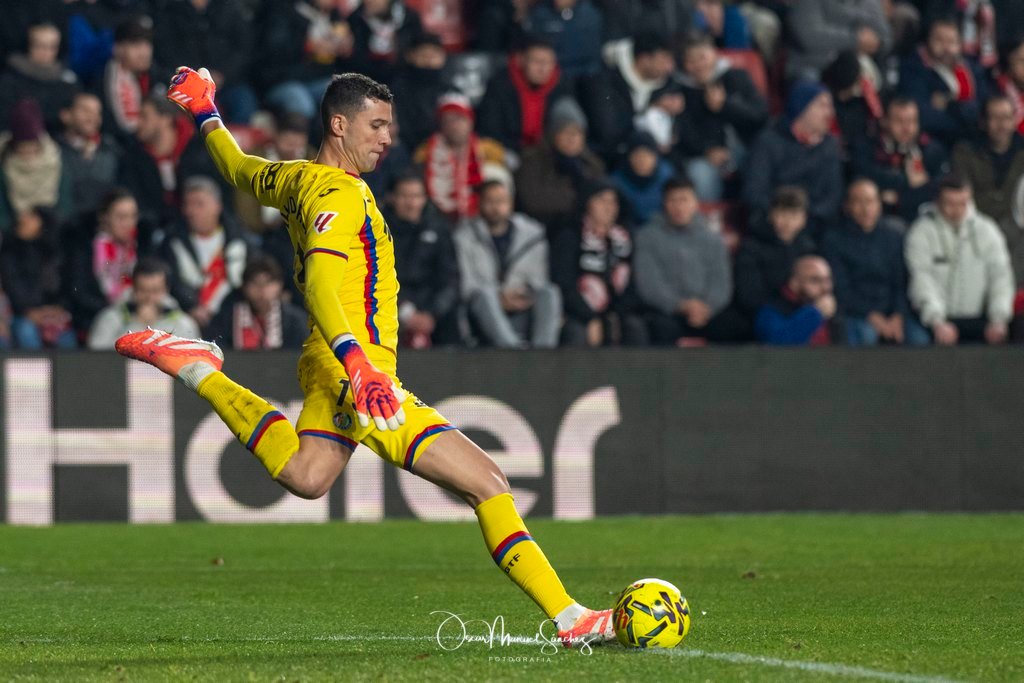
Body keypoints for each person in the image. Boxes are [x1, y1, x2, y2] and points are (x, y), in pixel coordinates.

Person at [117, 67, 617, 646]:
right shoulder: (339, 194)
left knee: (307, 475)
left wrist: (206, 112)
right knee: (487, 482)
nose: (387, 138)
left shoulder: (296, 178)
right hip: (356, 369)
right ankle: (570, 618)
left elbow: (237, 168)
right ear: (339, 124)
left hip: (329, 359)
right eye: (376, 125)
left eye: (389, 126)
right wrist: (357, 362)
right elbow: (321, 283)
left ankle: (199, 370)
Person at [905, 173, 1014, 344]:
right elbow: (921, 278)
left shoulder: (988, 231)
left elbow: (1000, 276)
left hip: (981, 320)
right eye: (950, 203)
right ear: (938, 202)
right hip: (935, 321)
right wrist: (936, 321)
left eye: (963, 203)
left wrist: (999, 319)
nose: (956, 210)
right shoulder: (921, 232)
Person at [821, 179, 930, 345]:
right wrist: (872, 317)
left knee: (919, 339)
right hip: (856, 312)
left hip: (894, 312)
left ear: (879, 204)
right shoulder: (834, 240)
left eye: (870, 201)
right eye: (858, 202)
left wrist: (898, 315)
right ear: (847, 206)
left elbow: (902, 282)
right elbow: (841, 289)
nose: (865, 209)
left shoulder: (895, 234)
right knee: (866, 336)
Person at [455, 180, 562, 349]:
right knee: (485, 295)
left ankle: (543, 353)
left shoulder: (532, 234)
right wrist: (500, 296)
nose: (496, 207)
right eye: (490, 201)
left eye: (501, 201)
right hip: (484, 310)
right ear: (480, 203)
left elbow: (539, 278)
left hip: (523, 303)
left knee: (550, 292)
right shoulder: (465, 236)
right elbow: (466, 285)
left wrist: (520, 294)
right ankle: (512, 352)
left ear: (511, 203)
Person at [634, 177, 736, 344]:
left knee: (733, 326)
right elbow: (649, 284)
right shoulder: (647, 237)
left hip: (707, 311)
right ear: (664, 203)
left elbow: (721, 283)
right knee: (659, 327)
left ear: (695, 203)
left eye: (684, 200)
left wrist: (707, 307)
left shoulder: (713, 239)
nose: (679, 207)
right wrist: (681, 306)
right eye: (673, 200)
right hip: (666, 311)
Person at [743, 80, 843, 240]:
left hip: (814, 228)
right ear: (802, 107)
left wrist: (804, 218)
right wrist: (785, 216)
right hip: (772, 226)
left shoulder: (829, 146)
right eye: (822, 106)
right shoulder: (768, 141)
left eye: (830, 106)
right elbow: (754, 192)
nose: (830, 113)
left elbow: (832, 197)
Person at [676, 32, 769, 201]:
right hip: (705, 155)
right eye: (691, 60)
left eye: (702, 57)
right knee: (699, 174)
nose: (698, 65)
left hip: (745, 148)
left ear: (714, 54)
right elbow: (682, 131)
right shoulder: (680, 89)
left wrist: (725, 106)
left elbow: (760, 116)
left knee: (762, 164)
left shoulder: (737, 76)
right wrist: (706, 150)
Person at [551, 180, 645, 346]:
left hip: (617, 312)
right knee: (576, 332)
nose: (608, 207)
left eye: (613, 202)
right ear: (587, 203)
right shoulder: (570, 235)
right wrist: (590, 317)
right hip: (578, 312)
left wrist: (616, 315)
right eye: (601, 200)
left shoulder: (625, 237)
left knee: (634, 327)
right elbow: (564, 283)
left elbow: (634, 283)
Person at [159, 176, 248, 330]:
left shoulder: (239, 239)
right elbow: (171, 281)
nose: (191, 211)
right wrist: (190, 306)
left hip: (233, 317)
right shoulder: (171, 242)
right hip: (188, 318)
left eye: (199, 204)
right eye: (187, 204)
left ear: (217, 206)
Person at [383, 172, 461, 347]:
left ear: (425, 199)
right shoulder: (378, 229)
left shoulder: (438, 228)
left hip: (432, 308)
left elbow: (451, 279)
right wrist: (404, 311)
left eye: (416, 196)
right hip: (391, 304)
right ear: (393, 198)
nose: (411, 204)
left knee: (453, 315)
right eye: (404, 196)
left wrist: (432, 314)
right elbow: (376, 277)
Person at [580, 31, 677, 162]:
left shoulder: (667, 85)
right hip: (610, 158)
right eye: (664, 60)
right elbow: (607, 131)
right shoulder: (603, 82)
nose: (670, 67)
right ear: (644, 60)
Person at [852, 96, 948, 225]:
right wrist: (908, 181)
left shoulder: (930, 149)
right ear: (885, 121)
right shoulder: (868, 148)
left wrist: (900, 198)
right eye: (899, 121)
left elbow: (940, 189)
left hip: (923, 220)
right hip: (880, 222)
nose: (907, 128)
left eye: (912, 121)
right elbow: (865, 180)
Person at [414, 93, 508, 223]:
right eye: (448, 120)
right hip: (437, 219)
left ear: (470, 121)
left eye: (459, 119)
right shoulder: (425, 152)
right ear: (441, 124)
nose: (454, 125)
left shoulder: (490, 151)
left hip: (481, 220)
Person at [515, 97, 605, 231]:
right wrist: (580, 200)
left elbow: (603, 199)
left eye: (577, 133)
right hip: (542, 228)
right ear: (553, 135)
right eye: (566, 132)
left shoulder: (592, 164)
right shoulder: (533, 160)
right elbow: (534, 200)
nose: (572, 138)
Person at [733, 186, 816, 329]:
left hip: (801, 311)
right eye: (782, 214)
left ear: (804, 219)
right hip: (765, 314)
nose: (788, 222)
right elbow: (749, 296)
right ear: (771, 215)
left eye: (794, 215)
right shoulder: (752, 247)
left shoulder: (808, 249)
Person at [898, 17, 986, 146]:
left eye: (951, 41)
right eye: (939, 40)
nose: (946, 47)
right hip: (937, 140)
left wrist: (950, 105)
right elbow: (924, 115)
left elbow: (983, 107)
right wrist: (963, 123)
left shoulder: (971, 69)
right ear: (928, 41)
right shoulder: (914, 68)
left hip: (971, 138)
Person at [476, 35, 570, 154]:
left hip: (548, 152)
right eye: (537, 62)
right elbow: (490, 130)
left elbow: (569, 125)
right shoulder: (499, 86)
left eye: (549, 62)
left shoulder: (561, 86)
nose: (543, 69)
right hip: (508, 150)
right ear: (520, 60)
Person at [0, 207, 76, 349]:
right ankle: (34, 366)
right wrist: (32, 311)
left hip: (54, 313)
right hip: (21, 315)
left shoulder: (55, 253)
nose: (23, 219)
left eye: (32, 216)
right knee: (26, 331)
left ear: (43, 223)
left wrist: (57, 308)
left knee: (66, 335)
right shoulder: (9, 251)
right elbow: (13, 287)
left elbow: (65, 287)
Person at [88, 257, 200, 349]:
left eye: (155, 291)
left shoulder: (183, 323)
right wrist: (139, 324)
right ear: (133, 289)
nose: (149, 297)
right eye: (143, 290)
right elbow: (97, 357)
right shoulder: (110, 318)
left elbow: (191, 359)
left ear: (166, 290)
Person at [0, 98, 73, 234]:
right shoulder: (4, 163)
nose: (29, 156)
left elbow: (65, 205)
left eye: (33, 149)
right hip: (14, 234)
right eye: (22, 149)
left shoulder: (55, 160)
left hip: (52, 231)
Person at [206, 255, 307, 350]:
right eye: (255, 283)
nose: (261, 290)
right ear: (244, 287)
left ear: (279, 286)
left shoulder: (295, 320)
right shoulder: (226, 318)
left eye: (267, 283)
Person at [951, 95, 1024, 225]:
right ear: (983, 122)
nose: (1001, 125)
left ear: (1014, 121)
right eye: (995, 118)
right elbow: (961, 192)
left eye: (1006, 118)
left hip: (1018, 227)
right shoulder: (965, 153)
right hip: (975, 224)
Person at [0, 21, 78, 132]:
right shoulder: (10, 80)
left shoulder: (68, 82)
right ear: (28, 46)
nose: (45, 52)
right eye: (39, 46)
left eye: (52, 47)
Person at [783, 0, 890, 81]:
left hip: (849, 68)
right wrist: (855, 39)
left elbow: (885, 38)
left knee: (871, 76)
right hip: (812, 67)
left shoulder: (868, 3)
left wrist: (872, 42)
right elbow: (810, 37)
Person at [58, 92, 121, 220]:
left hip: (102, 226)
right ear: (66, 115)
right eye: (85, 110)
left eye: (97, 112)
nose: (92, 117)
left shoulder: (113, 151)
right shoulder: (54, 151)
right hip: (66, 225)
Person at [756, 255, 845, 345]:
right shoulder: (773, 310)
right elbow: (779, 344)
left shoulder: (835, 311)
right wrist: (815, 314)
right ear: (794, 283)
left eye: (828, 280)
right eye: (815, 280)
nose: (825, 287)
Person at [387, 32, 449, 151]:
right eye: (423, 55)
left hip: (444, 149)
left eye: (434, 55)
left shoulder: (449, 90)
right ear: (410, 56)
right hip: (406, 150)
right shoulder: (397, 89)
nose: (429, 61)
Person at [102, 16, 159, 140]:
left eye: (147, 44)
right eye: (135, 45)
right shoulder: (106, 81)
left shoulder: (155, 75)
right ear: (117, 49)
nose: (144, 53)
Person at [611, 131, 675, 226]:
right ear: (628, 157)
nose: (642, 160)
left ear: (656, 156)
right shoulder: (616, 181)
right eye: (637, 155)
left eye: (647, 155)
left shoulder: (668, 175)